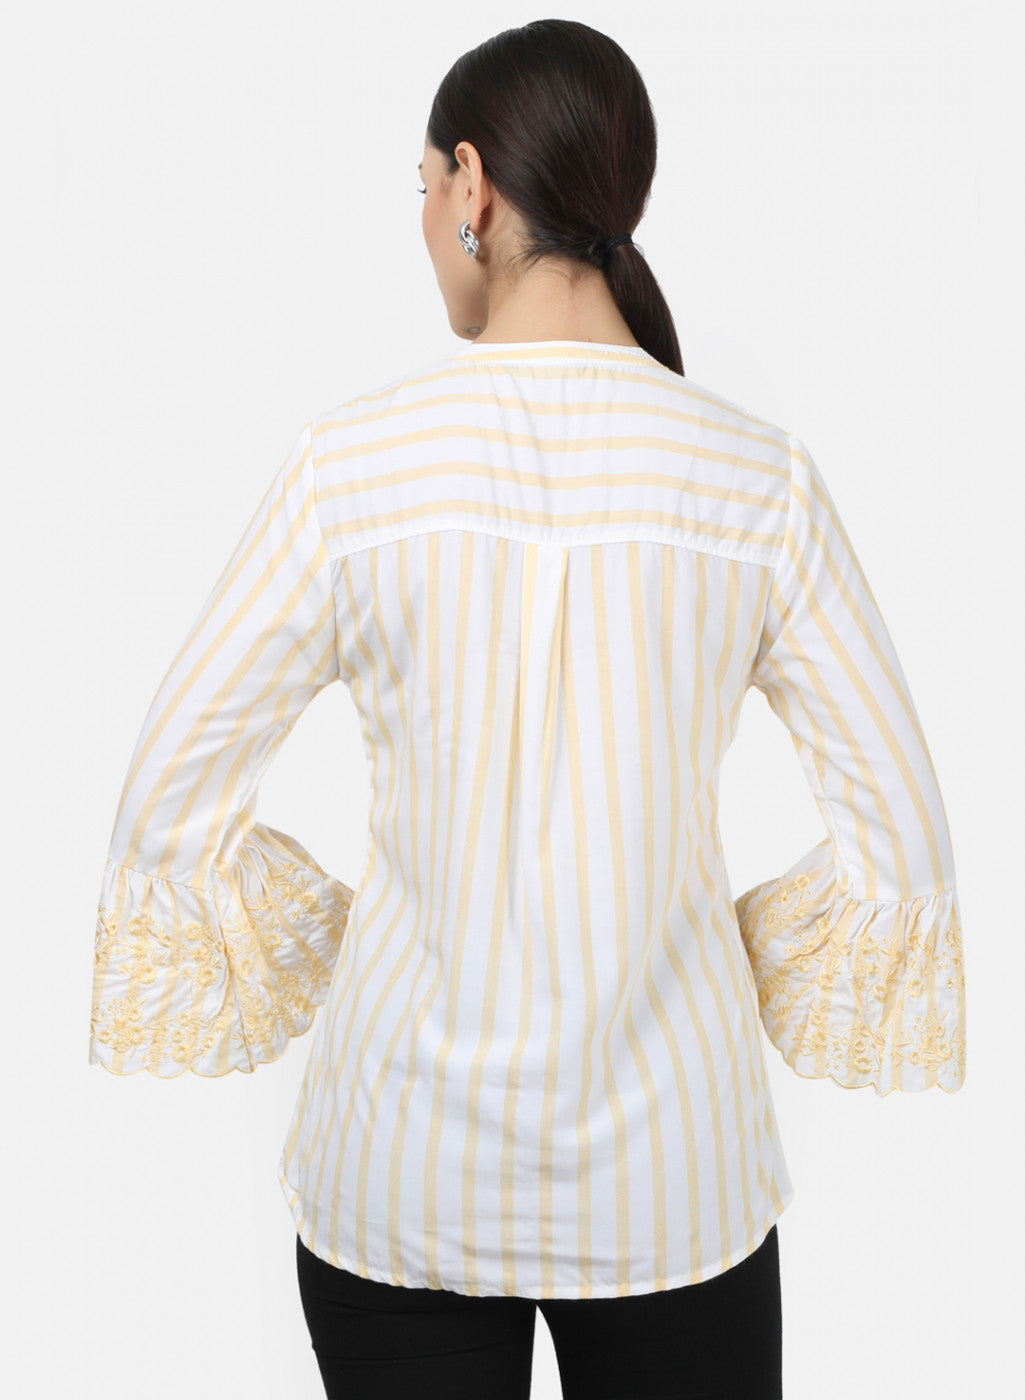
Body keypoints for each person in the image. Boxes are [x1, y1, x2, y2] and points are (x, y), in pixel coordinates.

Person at [89, 19, 966, 1400]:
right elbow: (902, 848)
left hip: (401, 1169)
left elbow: (164, 805)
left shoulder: (351, 469)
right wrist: (701, 961)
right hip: (674, 1183)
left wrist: (361, 945)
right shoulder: (759, 482)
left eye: (420, 186)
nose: (424, 219)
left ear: (472, 184)